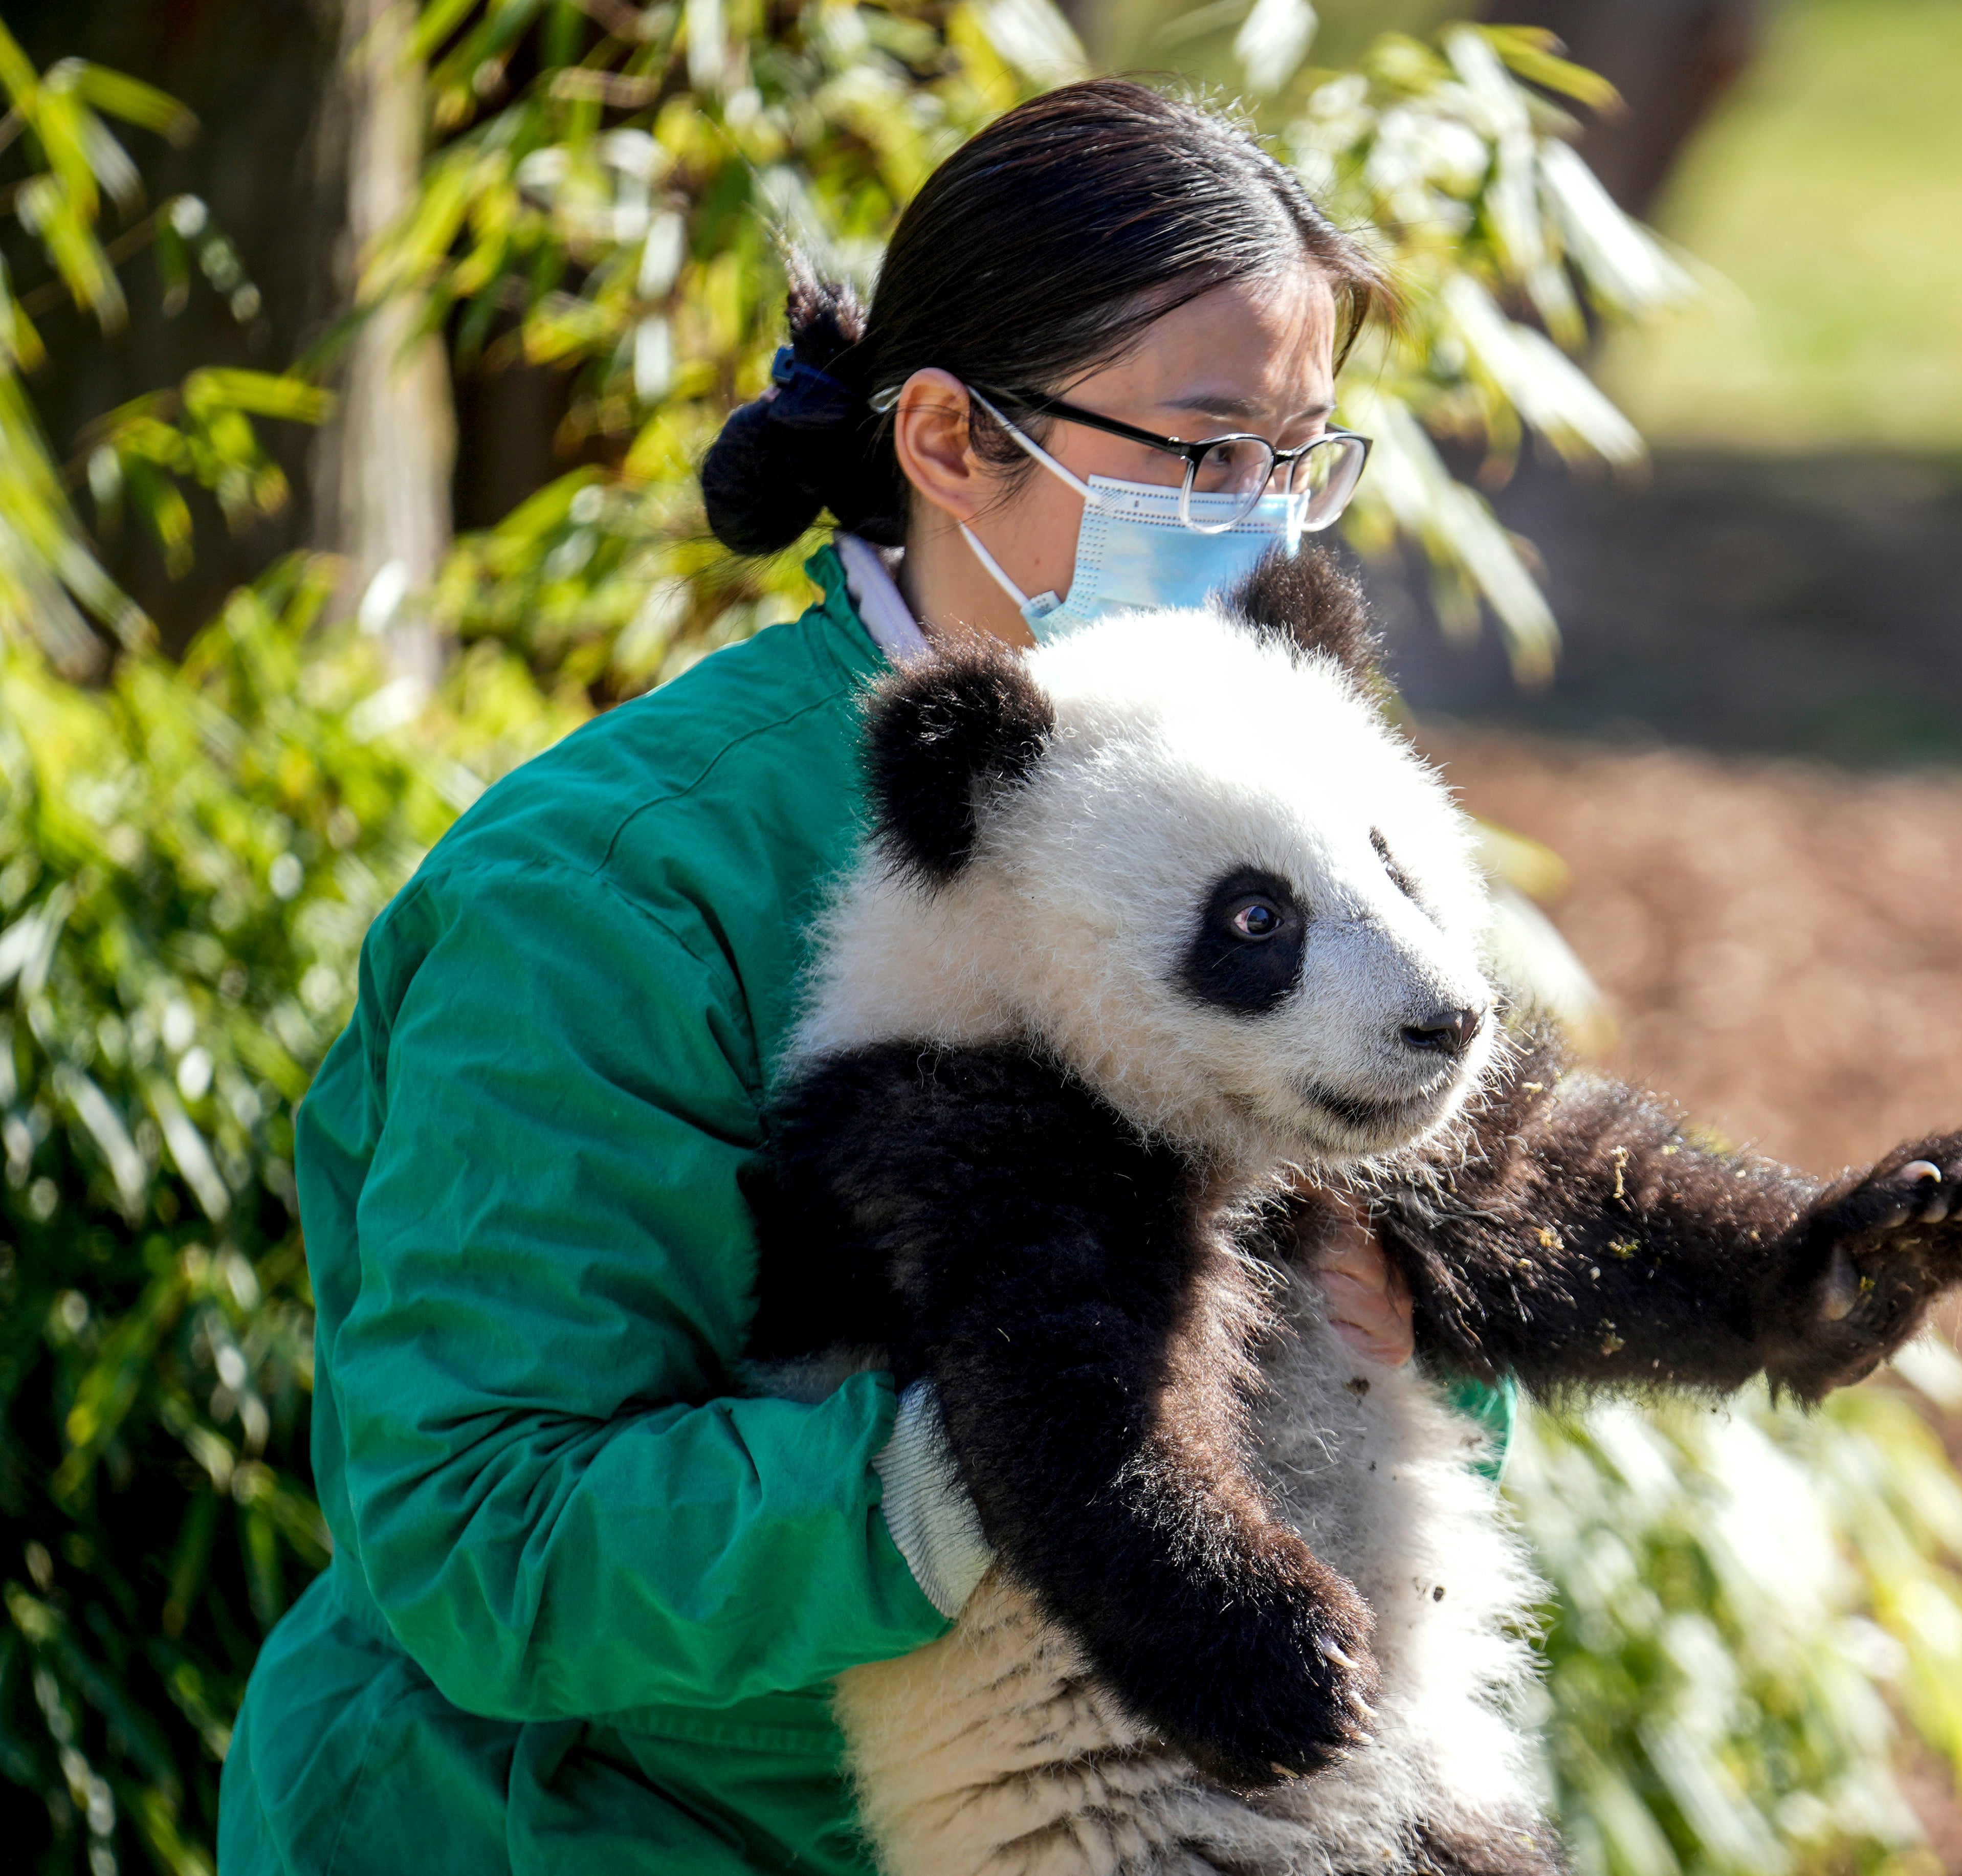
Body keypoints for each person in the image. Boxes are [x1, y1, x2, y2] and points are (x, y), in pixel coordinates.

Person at [219, 78, 1479, 1875]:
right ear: (952, 440)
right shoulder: (607, 890)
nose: (1259, 525)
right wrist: (1039, 1470)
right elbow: (485, 1539)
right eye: (1202, 453)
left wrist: (1363, 1390)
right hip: (576, 1831)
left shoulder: (1274, 763)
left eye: (1298, 457)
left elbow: (1409, 1305)